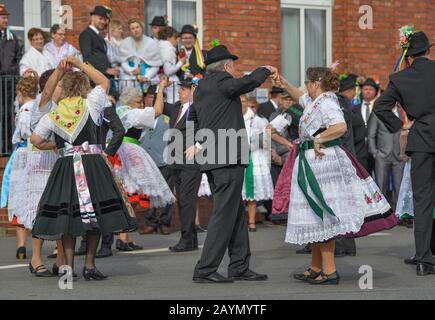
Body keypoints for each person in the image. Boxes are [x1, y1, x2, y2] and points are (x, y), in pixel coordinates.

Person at [272, 67, 397, 284]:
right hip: (315, 161)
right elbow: (300, 98)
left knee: (323, 215)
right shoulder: (317, 102)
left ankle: (329, 271)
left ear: (315, 84)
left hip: (324, 163)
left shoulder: (327, 102)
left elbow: (339, 127)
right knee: (315, 216)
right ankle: (315, 267)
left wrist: (319, 139)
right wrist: (284, 84)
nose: (305, 87)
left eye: (307, 83)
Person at [30, 56, 137, 280]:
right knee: (94, 214)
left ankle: (68, 268)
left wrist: (61, 146)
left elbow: (36, 140)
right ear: (83, 88)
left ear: (65, 90)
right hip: (92, 163)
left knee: (69, 217)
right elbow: (104, 82)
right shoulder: (92, 103)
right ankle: (89, 265)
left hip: (66, 165)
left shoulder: (54, 114)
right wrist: (78, 64)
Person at [186, 44, 277, 283]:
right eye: (233, 66)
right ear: (226, 66)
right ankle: (205, 269)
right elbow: (244, 84)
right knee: (224, 214)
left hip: (214, 158)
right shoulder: (221, 81)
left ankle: (239, 265)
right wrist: (265, 69)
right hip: (226, 158)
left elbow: (193, 117)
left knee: (235, 213)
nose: (234, 70)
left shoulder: (201, 87)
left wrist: (197, 143)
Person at [374, 30, 435, 276]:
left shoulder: (400, 77)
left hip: (420, 140)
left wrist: (402, 125)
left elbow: (380, 107)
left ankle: (423, 259)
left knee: (422, 200)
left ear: (409, 55)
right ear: (428, 51)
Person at [111, 84, 175, 249]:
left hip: (117, 152)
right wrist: (160, 90)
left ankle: (124, 237)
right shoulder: (132, 113)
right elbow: (158, 111)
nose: (141, 104)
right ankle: (122, 237)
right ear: (131, 101)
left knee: (127, 196)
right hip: (128, 153)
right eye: (139, 101)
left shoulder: (118, 111)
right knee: (129, 196)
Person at [160, 79, 203, 252]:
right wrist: (161, 88)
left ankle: (186, 239)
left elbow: (209, 126)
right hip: (176, 161)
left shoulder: (199, 107)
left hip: (191, 161)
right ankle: (191, 238)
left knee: (187, 200)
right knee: (183, 200)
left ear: (192, 91)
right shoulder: (177, 107)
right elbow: (160, 106)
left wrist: (198, 145)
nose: (180, 92)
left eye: (184, 90)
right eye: (180, 89)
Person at [1, 76, 38, 261]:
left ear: (21, 94)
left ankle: (21, 245)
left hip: (24, 154)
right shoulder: (39, 107)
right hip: (36, 153)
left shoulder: (24, 110)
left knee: (20, 197)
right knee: (35, 196)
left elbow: (24, 133)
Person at [140, 86, 175, 235]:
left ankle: (165, 222)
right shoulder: (139, 115)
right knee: (150, 193)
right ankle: (151, 222)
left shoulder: (168, 117)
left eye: (155, 96)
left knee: (166, 192)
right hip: (146, 161)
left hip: (165, 160)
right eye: (149, 96)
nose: (151, 99)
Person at [241, 95, 274, 232]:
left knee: (251, 190)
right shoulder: (232, 118)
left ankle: (252, 221)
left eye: (244, 102)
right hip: (235, 156)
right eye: (240, 102)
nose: (242, 104)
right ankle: (239, 222)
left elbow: (265, 141)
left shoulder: (259, 121)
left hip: (254, 157)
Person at [368, 104, 406, 205]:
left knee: (399, 188)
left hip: (399, 156)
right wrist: (375, 153)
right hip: (382, 156)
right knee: (381, 187)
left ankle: (398, 215)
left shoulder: (403, 113)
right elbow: (371, 135)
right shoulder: (377, 114)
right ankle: (383, 214)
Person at [0, 4, 24, 154]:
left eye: (7, 17)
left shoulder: (12, 37)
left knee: (8, 114)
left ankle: (6, 147)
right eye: (3, 17)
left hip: (9, 83)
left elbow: (18, 58)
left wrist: (14, 74)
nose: (6, 19)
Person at [119, 19, 162, 93]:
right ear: (130, 31)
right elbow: (123, 62)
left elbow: (156, 65)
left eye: (137, 27)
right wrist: (132, 71)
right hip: (130, 77)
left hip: (148, 77)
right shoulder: (125, 42)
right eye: (132, 28)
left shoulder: (151, 43)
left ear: (142, 28)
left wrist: (146, 76)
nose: (135, 30)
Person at [79, 6, 117, 79]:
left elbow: (102, 56)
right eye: (100, 19)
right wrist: (106, 70)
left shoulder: (99, 36)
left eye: (105, 19)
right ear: (93, 17)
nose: (103, 22)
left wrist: (112, 69)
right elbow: (87, 58)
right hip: (93, 79)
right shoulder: (86, 34)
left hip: (104, 77)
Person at [352, 78, 379, 174]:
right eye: (365, 89)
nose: (367, 91)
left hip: (377, 149)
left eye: (370, 89)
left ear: (375, 92)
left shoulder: (379, 109)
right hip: (360, 150)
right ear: (361, 91)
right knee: (362, 175)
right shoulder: (354, 108)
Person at [159, 26, 187, 103]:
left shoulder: (162, 47)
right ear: (169, 38)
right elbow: (168, 71)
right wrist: (181, 62)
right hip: (170, 84)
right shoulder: (168, 49)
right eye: (175, 38)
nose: (177, 41)